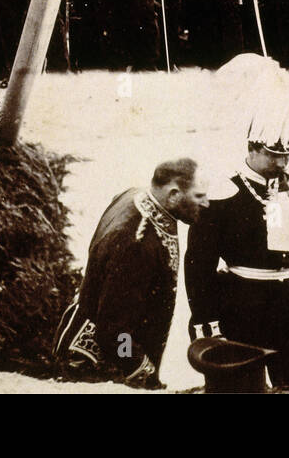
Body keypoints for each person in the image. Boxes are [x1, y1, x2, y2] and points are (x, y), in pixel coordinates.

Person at [184, 61, 289, 362]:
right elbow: (198, 266)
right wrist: (207, 321)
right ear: (253, 148)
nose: (282, 164)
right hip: (238, 306)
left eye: (286, 156)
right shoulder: (223, 195)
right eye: (274, 156)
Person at [55, 157, 210, 388]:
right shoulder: (136, 246)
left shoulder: (133, 195)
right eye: (199, 196)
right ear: (174, 194)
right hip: (93, 364)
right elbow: (114, 333)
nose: (207, 203)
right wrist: (140, 369)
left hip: (89, 333)